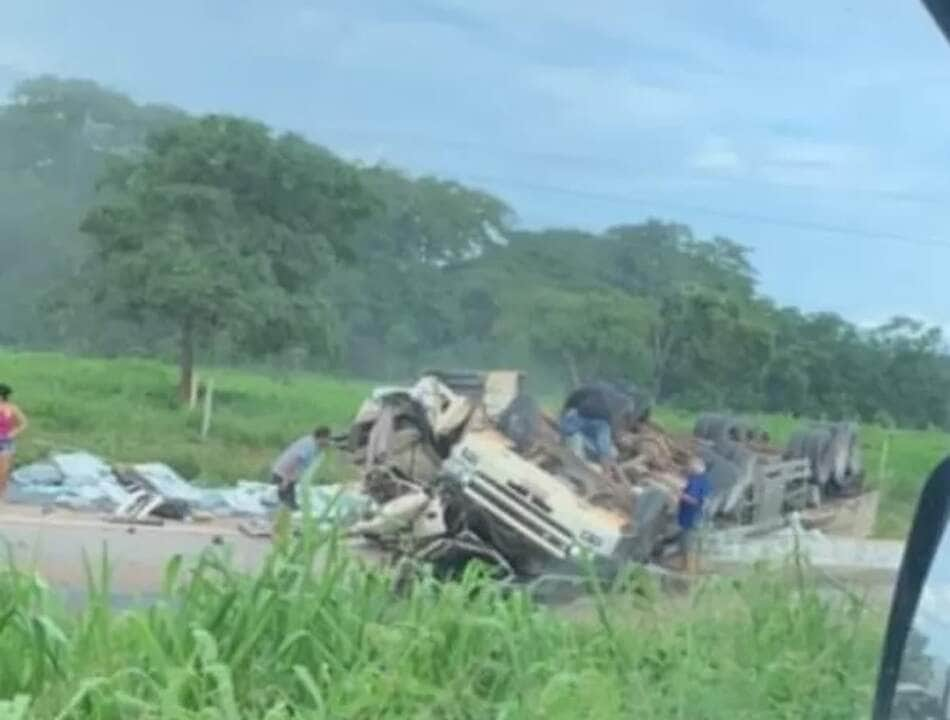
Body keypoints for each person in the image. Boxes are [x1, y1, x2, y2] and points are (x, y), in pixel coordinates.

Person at [559, 381, 648, 480]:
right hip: (579, 431)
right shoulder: (609, 418)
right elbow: (605, 446)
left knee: (607, 450)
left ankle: (592, 465)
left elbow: (573, 397)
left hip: (576, 426)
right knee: (607, 451)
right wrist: (607, 471)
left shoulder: (598, 392)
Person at [271, 426, 331, 510]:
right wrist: (286, 480)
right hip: (283, 474)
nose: (328, 441)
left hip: (287, 474)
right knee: (287, 504)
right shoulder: (309, 447)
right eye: (327, 438)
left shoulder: (311, 441)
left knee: (291, 502)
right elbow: (295, 462)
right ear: (321, 438)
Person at [676, 457, 711, 574]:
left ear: (696, 467)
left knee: (687, 543)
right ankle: (695, 568)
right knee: (695, 543)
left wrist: (680, 494)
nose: (688, 468)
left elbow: (694, 500)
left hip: (691, 518)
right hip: (699, 517)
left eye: (690, 466)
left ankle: (687, 570)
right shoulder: (704, 480)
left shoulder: (696, 481)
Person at [0, 383, 28, 497]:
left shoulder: (12, 408)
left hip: (5, 441)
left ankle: (2, 491)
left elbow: (24, 423)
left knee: (4, 469)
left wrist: (13, 433)